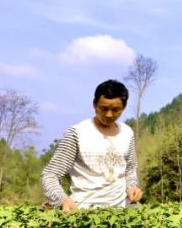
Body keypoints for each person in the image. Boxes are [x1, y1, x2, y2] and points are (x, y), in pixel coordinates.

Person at [41, 79, 143, 211]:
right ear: (94, 104)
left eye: (116, 110)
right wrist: (63, 200)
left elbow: (130, 169)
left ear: (124, 107)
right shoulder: (77, 133)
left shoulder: (127, 133)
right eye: (103, 108)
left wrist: (132, 186)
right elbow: (50, 175)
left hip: (120, 212)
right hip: (84, 212)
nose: (109, 114)